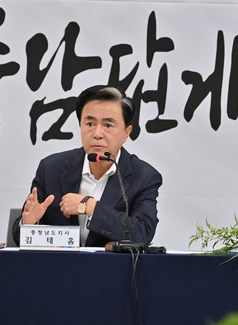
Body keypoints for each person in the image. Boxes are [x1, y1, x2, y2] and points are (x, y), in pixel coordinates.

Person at [12, 85, 162, 247]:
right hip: (59, 263)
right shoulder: (50, 169)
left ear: (126, 133)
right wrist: (28, 225)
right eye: (90, 124)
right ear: (80, 126)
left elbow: (142, 233)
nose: (97, 134)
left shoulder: (143, 177)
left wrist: (89, 206)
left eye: (108, 125)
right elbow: (19, 237)